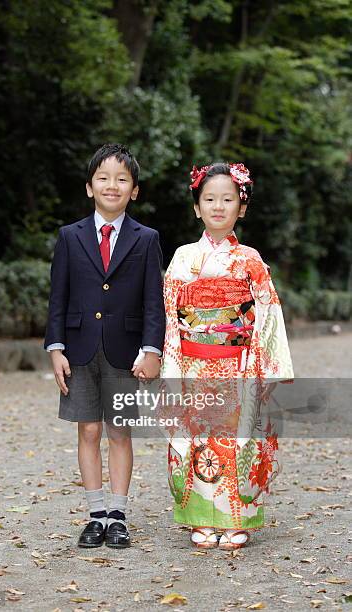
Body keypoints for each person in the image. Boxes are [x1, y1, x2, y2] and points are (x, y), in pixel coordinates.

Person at [161, 162, 293, 550]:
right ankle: (200, 519)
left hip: (239, 363)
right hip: (192, 362)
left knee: (237, 437)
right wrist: (171, 362)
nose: (218, 206)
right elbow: (170, 315)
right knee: (198, 436)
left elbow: (267, 314)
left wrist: (264, 366)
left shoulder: (250, 260)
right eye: (209, 199)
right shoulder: (183, 257)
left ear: (242, 207)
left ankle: (237, 519)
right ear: (197, 207)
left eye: (228, 199)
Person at [44, 143, 165, 549]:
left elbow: (154, 300)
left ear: (134, 191)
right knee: (88, 429)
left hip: (125, 352)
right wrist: (55, 348)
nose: (112, 185)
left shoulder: (146, 239)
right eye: (103, 178)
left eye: (122, 179)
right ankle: (95, 515)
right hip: (78, 348)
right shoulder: (70, 236)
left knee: (119, 431)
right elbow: (57, 296)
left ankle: (118, 515)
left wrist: (151, 349)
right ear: (89, 187)